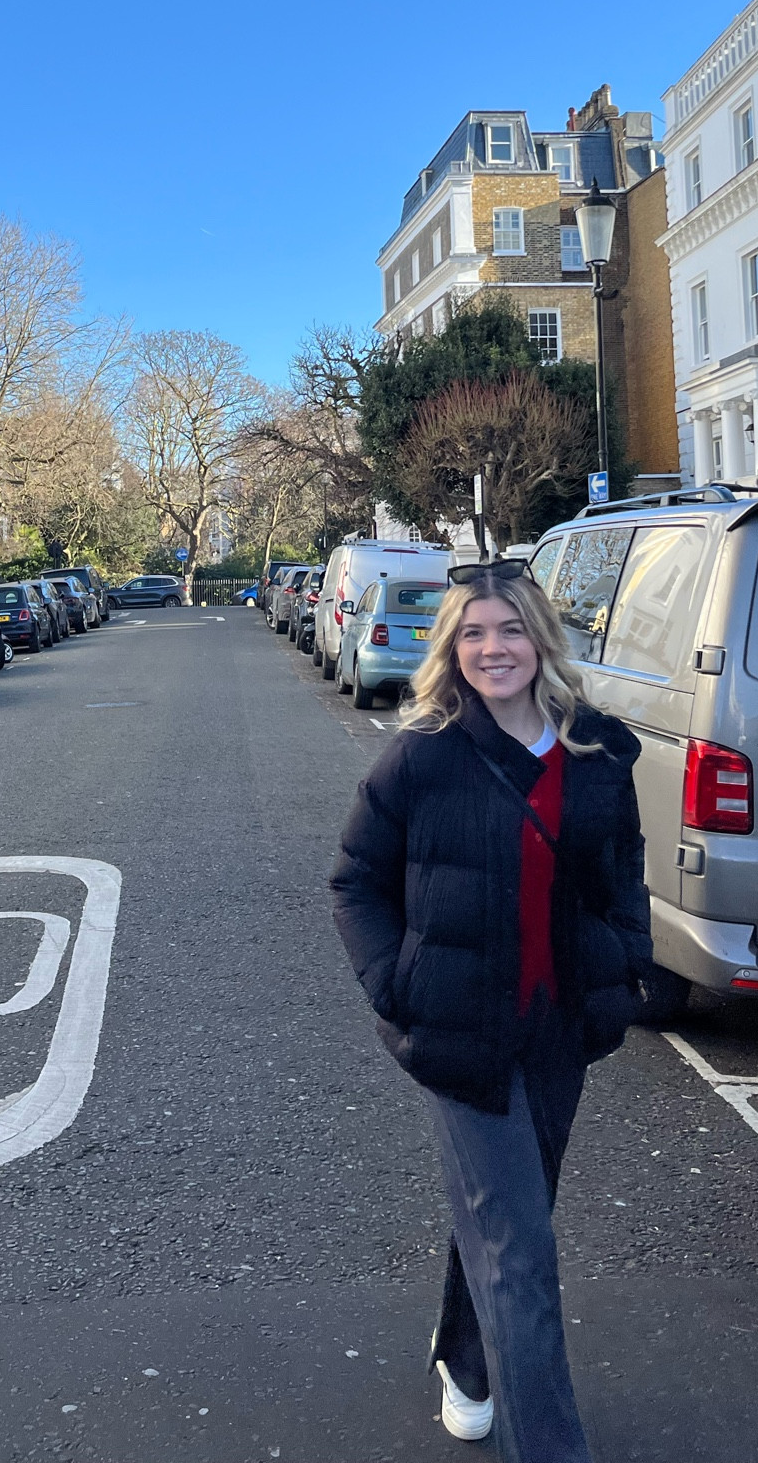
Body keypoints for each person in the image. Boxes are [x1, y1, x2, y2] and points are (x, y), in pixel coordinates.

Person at [329, 558, 651, 1462]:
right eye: (471, 633)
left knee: (513, 1217)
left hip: (560, 1029)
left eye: (509, 629)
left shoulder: (595, 754)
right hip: (459, 1029)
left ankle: (466, 1362)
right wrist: (397, 987)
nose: (491, 648)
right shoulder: (424, 755)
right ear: (451, 649)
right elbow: (355, 880)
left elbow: (621, 873)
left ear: (540, 640)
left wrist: (628, 963)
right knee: (520, 1249)